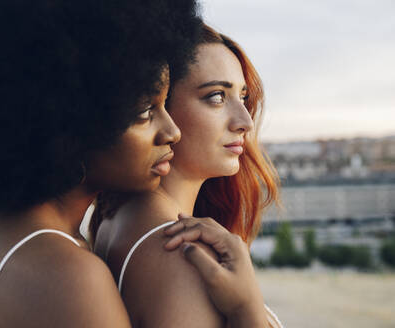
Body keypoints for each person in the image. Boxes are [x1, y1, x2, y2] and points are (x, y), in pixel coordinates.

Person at [0, 0, 222, 327]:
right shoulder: (68, 274)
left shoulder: (8, 233)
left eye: (164, 105)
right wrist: (246, 308)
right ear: (68, 125)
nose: (172, 131)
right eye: (144, 113)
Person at [91, 24, 283, 327]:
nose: (244, 121)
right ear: (159, 105)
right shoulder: (185, 254)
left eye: (242, 97)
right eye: (217, 97)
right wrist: (248, 310)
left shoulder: (118, 219)